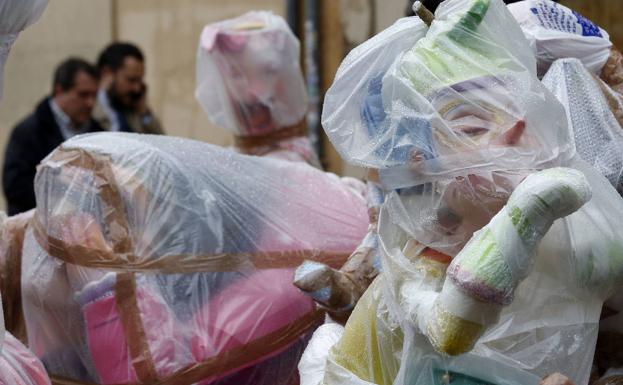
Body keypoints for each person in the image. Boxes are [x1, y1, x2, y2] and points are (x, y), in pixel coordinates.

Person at [3, 57, 102, 216]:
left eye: (94, 95)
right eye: (83, 95)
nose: (90, 103)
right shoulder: (28, 132)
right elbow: (15, 188)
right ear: (59, 90)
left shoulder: (97, 131)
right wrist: (61, 184)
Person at [94, 42, 164, 134]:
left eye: (139, 81)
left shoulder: (132, 108)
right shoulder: (88, 107)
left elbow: (161, 141)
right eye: (131, 80)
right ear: (107, 73)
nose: (137, 88)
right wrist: (101, 96)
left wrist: (144, 113)